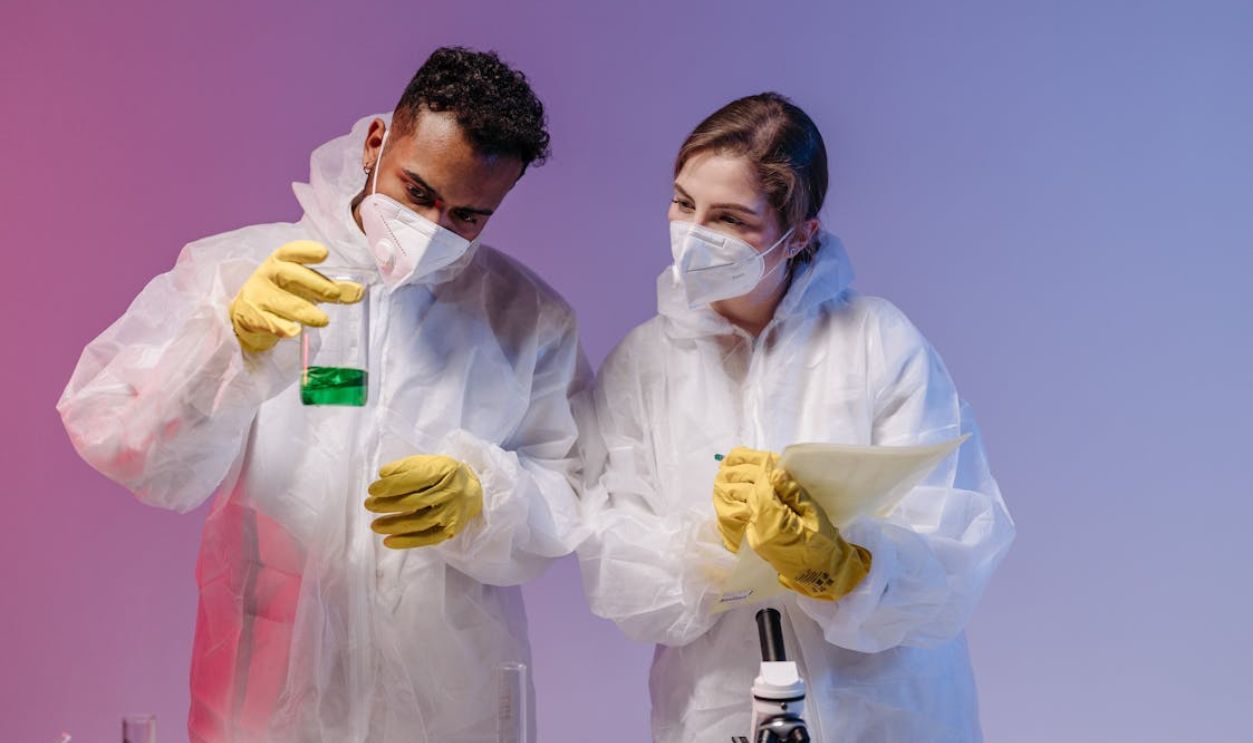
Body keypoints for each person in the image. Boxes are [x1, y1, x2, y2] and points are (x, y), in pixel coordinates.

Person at [58, 47, 588, 742]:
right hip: (265, 699)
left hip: (445, 705)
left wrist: (487, 497)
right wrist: (223, 345)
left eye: (467, 216)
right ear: (375, 143)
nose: (432, 228)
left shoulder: (526, 317)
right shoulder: (245, 270)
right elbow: (117, 438)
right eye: (417, 191)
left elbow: (572, 488)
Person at [578, 92, 1015, 742]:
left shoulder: (877, 343)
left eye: (728, 218)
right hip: (714, 710)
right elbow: (613, 560)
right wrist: (710, 546)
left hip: (885, 711)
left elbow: (955, 544)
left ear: (799, 233)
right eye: (682, 203)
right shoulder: (643, 364)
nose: (694, 234)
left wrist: (841, 564)